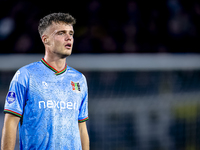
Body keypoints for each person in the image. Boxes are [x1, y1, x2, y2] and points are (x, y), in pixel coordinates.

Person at [1, 13, 89, 150]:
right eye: (61, 33)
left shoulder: (79, 80)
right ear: (45, 39)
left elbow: (81, 128)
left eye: (71, 33)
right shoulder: (25, 76)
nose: (69, 38)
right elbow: (10, 123)